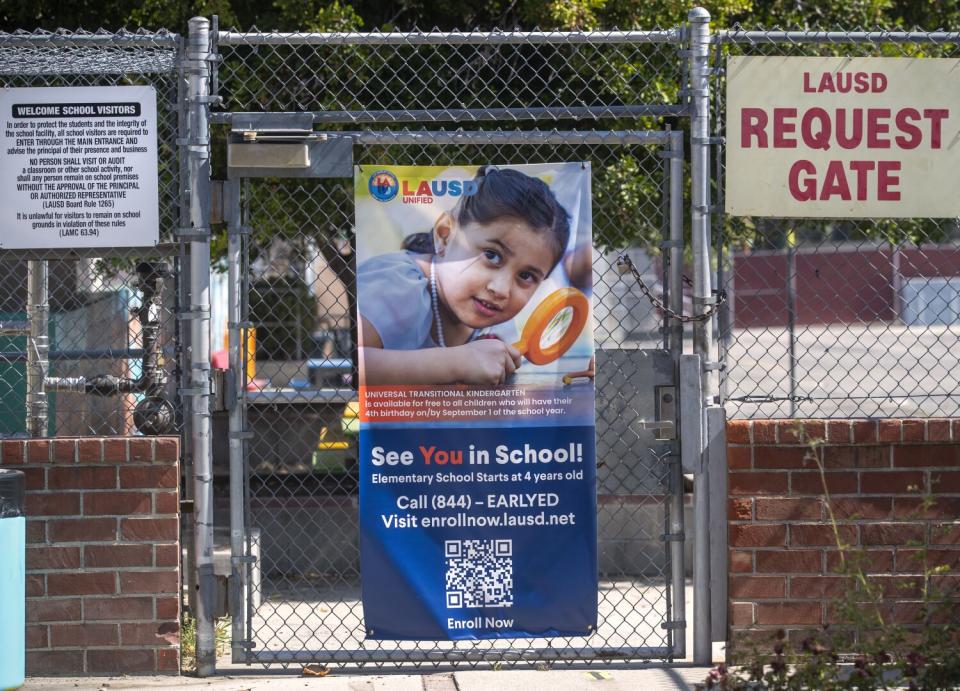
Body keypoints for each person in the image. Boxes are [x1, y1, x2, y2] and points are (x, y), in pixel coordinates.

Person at [358, 166, 571, 386]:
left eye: (526, 276)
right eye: (492, 255)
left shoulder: (498, 326)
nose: (501, 289)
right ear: (445, 235)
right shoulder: (397, 286)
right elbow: (350, 364)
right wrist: (455, 362)